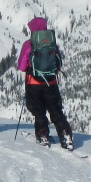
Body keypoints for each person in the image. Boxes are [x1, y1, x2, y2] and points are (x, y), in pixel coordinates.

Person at [16, 16, 74, 150]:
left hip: (33, 84)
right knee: (56, 110)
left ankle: (42, 135)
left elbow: (21, 66)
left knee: (39, 111)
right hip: (51, 83)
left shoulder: (29, 44)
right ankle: (65, 134)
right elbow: (58, 65)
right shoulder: (52, 43)